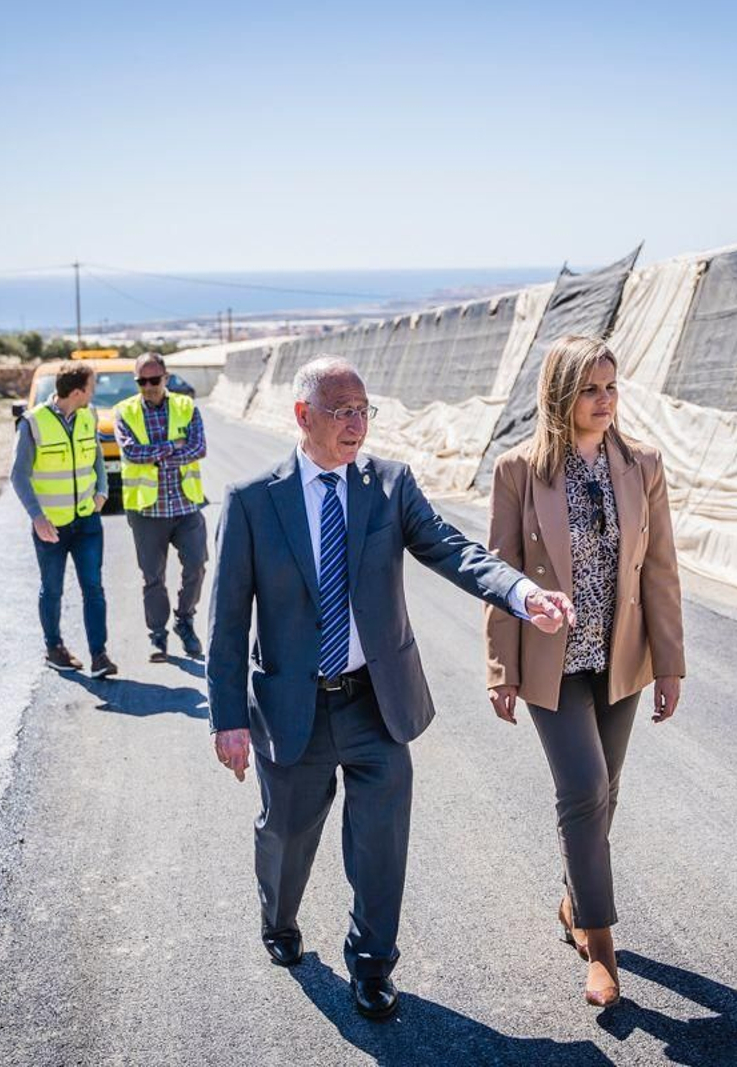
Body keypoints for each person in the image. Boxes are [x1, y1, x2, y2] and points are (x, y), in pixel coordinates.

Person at [207, 356, 574, 1021]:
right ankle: (279, 914)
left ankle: (372, 962)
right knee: (286, 834)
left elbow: (451, 547)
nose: (356, 423)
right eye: (341, 410)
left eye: (363, 409)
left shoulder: (390, 485)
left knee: (381, 844)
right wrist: (226, 718)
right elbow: (228, 623)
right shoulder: (254, 502)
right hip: (294, 708)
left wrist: (522, 592)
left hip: (376, 701)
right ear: (303, 416)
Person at [483, 335, 686, 1009]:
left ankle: (575, 902)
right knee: (584, 788)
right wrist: (500, 667)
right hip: (554, 661)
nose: (604, 401)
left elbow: (659, 571)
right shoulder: (519, 471)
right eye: (590, 389)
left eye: (611, 387)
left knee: (607, 793)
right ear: (560, 395)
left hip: (620, 656)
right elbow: (501, 574)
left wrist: (670, 665)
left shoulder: (643, 465)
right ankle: (601, 951)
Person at [9, 359, 117, 679]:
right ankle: (54, 648)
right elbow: (18, 475)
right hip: (51, 527)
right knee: (52, 589)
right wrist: (37, 517)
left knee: (93, 588)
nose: (94, 391)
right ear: (78, 391)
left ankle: (99, 656)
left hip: (87, 521)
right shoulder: (33, 422)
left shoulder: (89, 414)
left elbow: (96, 456)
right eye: (92, 385)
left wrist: (103, 490)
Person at [113, 352, 209, 661]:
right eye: (143, 381)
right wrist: (172, 447)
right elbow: (132, 454)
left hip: (185, 506)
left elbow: (198, 448)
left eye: (155, 380)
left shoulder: (186, 407)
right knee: (152, 578)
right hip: (147, 512)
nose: (149, 386)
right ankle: (158, 635)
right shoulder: (124, 411)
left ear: (166, 378)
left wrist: (157, 453)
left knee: (196, 565)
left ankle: (185, 620)